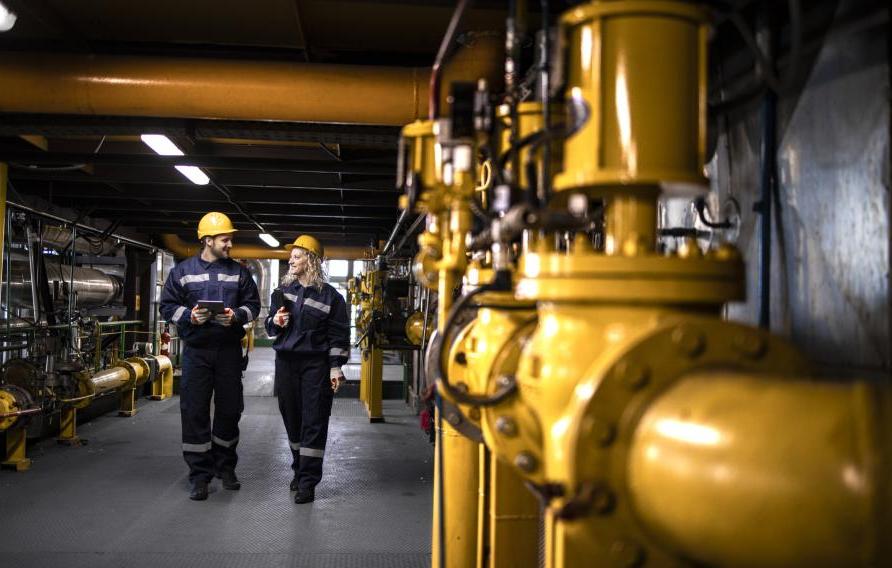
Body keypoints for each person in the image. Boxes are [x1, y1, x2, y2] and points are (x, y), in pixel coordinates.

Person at [160, 211, 260, 501]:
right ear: (207, 240)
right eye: (224, 239)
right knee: (194, 412)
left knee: (230, 410)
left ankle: (225, 467)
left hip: (228, 351)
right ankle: (199, 475)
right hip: (197, 352)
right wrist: (190, 316)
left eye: (230, 239)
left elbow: (253, 305)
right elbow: (167, 307)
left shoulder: (240, 272)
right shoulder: (182, 271)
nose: (229, 244)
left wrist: (237, 316)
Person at [265, 234, 349, 504]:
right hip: (286, 363)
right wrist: (275, 321)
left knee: (313, 421)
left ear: (311, 261)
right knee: (292, 419)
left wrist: (335, 368)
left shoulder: (332, 297)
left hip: (316, 365)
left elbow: (338, 336)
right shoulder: (283, 291)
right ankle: (298, 469)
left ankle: (308, 482)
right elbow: (270, 326)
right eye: (292, 255)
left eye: (298, 255)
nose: (291, 259)